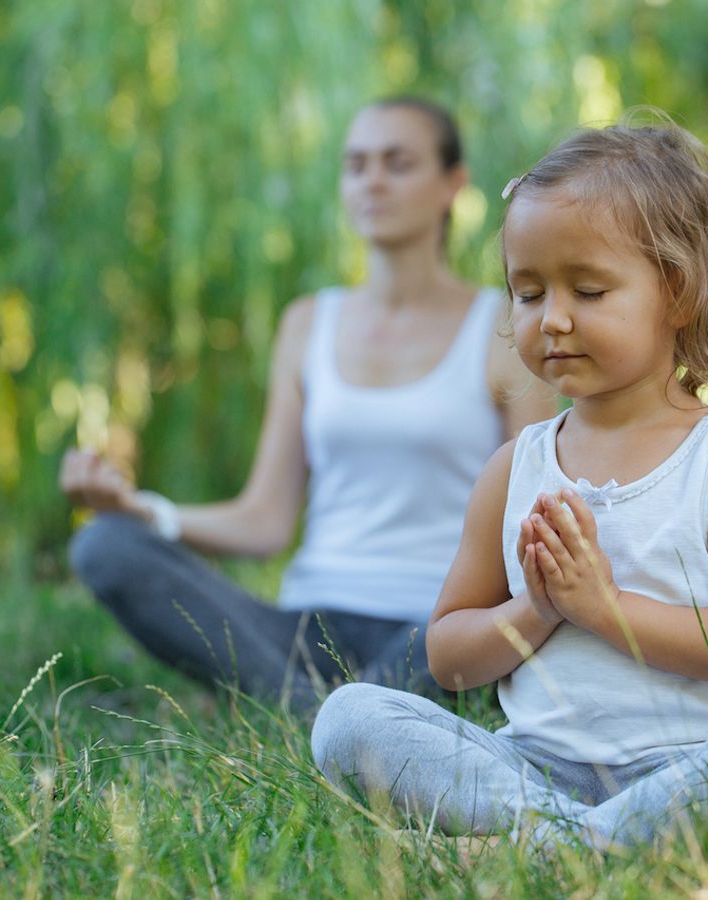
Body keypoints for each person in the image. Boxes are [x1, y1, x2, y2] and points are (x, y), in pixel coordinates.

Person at [311, 114, 708, 849]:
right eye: (527, 294)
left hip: (683, 769)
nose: (552, 319)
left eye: (587, 291)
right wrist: (539, 609)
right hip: (530, 771)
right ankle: (583, 842)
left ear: (677, 294)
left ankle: (536, 846)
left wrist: (605, 609)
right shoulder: (514, 468)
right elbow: (448, 656)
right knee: (347, 718)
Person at [60, 98, 557, 710]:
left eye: (398, 163)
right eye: (356, 165)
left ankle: (314, 712)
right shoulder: (306, 324)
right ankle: (332, 712)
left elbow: (530, 513)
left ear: (453, 184)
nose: (372, 180)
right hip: (303, 629)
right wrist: (142, 511)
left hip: (432, 627)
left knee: (457, 642)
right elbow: (265, 519)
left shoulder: (506, 326)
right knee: (105, 545)